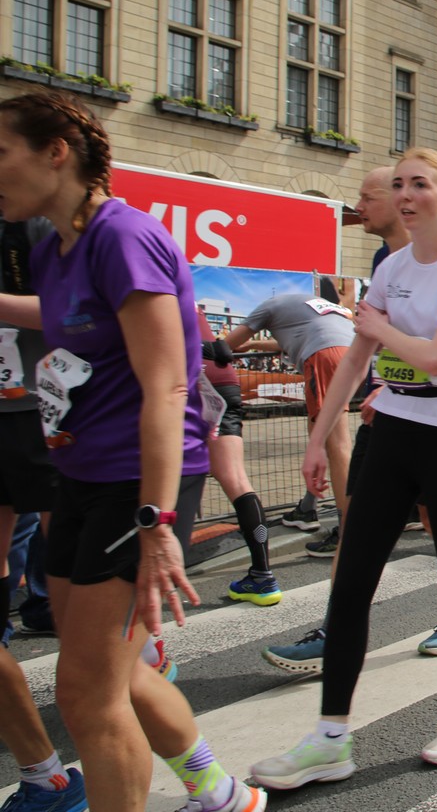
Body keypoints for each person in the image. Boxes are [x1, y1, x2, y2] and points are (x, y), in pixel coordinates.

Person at [0, 91, 265, 811]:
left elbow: (167, 386)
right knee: (117, 672)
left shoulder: (124, 236)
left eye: (1, 152)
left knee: (87, 695)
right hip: (78, 475)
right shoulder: (51, 248)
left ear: (56, 152)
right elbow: (63, 319)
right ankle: (219, 791)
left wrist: (157, 522)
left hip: (137, 484)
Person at [251, 147, 437, 790]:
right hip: (389, 431)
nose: (405, 194)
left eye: (420, 184)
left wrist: (378, 326)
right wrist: (317, 438)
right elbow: (358, 358)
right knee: (352, 584)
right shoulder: (392, 267)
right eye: (399, 185)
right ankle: (330, 738)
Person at [0, 214, 87, 810]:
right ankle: (44, 777)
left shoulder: (31, 222)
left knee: (81, 599)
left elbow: (75, 313)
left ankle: (208, 785)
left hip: (43, 416)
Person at [226, 293, 354, 562]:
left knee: (337, 445)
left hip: (324, 356)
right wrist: (255, 344)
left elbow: (227, 345)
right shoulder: (307, 305)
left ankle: (348, 533)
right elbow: (287, 339)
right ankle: (307, 509)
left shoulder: (267, 306)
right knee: (317, 434)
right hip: (350, 353)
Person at [194, 306, 281, 605]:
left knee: (166, 472)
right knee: (235, 477)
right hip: (222, 378)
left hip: (191, 376)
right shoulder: (191, 304)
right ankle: (263, 574)